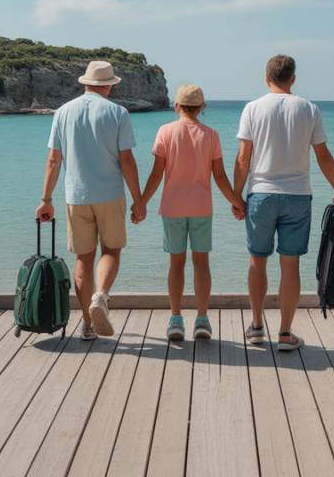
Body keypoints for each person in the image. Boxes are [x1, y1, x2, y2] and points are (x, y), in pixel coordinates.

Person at [234, 55, 334, 352]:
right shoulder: (308, 109)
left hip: (260, 193)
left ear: (266, 77)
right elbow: (323, 155)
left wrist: (236, 195)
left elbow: (243, 157)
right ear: (293, 78)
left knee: (257, 260)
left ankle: (257, 326)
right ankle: (285, 334)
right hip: (298, 195)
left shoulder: (252, 108)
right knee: (290, 264)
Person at [35, 60, 145, 341]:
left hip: (76, 195)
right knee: (111, 250)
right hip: (110, 194)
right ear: (108, 85)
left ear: (85, 83)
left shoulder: (63, 112)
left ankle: (86, 324)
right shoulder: (118, 112)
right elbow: (127, 161)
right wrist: (138, 198)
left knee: (84, 259)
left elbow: (53, 160)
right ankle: (101, 296)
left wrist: (46, 199)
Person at [141, 84, 245, 341]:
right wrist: (237, 202)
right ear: (202, 108)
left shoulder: (165, 131)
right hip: (201, 207)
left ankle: (175, 319)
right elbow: (219, 177)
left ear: (177, 106)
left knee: (176, 263)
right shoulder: (211, 135)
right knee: (201, 263)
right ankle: (202, 319)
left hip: (172, 207)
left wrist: (140, 202)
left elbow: (156, 174)